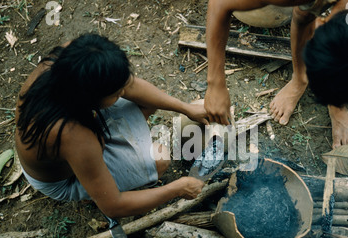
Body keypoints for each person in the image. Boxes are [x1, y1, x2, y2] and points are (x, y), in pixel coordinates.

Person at [15, 34, 208, 219]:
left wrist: (186, 108)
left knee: (147, 100)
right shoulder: (73, 136)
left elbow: (131, 86)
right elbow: (114, 206)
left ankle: (108, 169)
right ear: (91, 99)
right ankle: (90, 192)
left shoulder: (73, 58)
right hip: (65, 180)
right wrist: (175, 189)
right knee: (160, 158)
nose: (124, 92)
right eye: (117, 93)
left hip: (76, 138)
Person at [204, 0, 348, 148]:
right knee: (297, 12)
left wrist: (338, 97)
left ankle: (336, 104)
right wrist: (215, 84)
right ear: (319, 23)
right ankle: (299, 78)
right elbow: (220, 4)